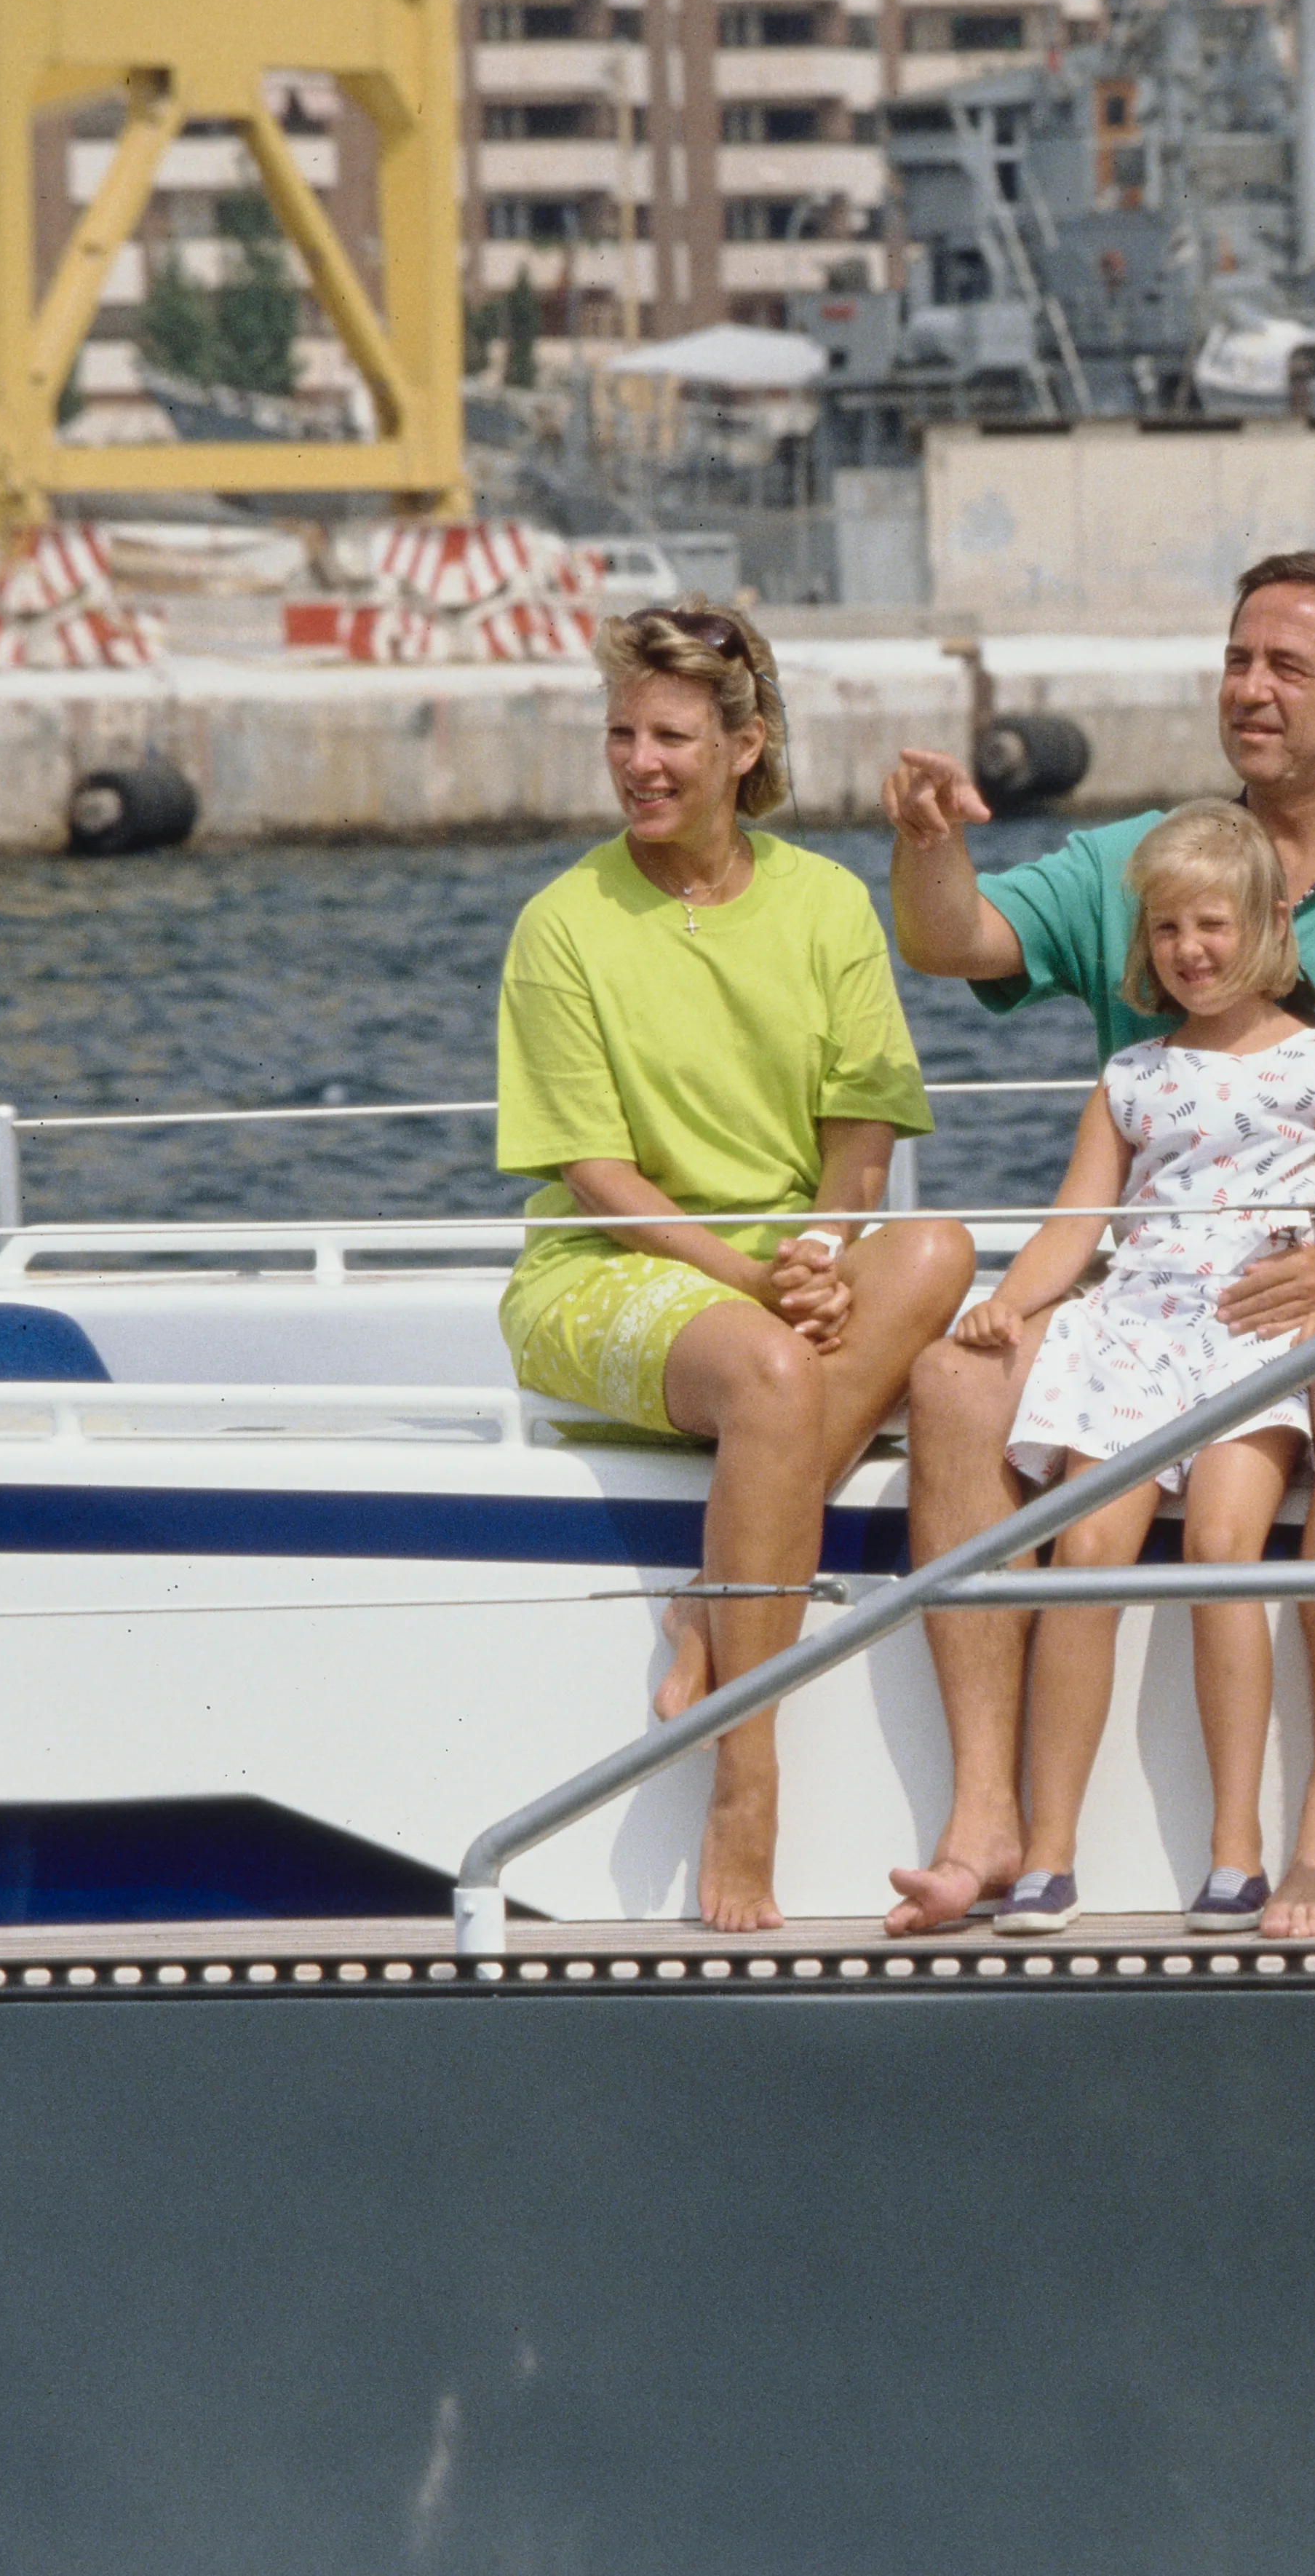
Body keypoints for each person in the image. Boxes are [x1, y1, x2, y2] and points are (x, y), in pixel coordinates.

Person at [880, 547, 1315, 1940]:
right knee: (954, 1382)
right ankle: (987, 1814)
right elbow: (957, 939)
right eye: (1237, 658)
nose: (1251, 688)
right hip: (1144, 1281)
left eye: (1289, 665)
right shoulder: (1137, 860)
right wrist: (929, 841)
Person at [494, 602, 977, 1930]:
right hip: (602, 1268)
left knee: (938, 1246)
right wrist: (762, 1283)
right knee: (770, 1368)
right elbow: (594, 1172)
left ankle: (713, 1617)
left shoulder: (824, 901)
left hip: (779, 1266)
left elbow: (862, 1135)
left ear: (745, 745)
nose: (639, 762)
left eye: (670, 736)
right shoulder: (561, 922)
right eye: (621, 735)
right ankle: (743, 1778)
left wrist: (820, 1249)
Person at [945, 806, 1315, 1936]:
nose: (1192, 948)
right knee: (1087, 1545)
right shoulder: (1131, 1074)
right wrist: (1012, 1299)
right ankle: (1049, 1847)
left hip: (1251, 1331)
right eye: (1170, 928)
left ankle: (1235, 1845)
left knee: (1222, 1543)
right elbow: (1076, 1224)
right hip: (1137, 1325)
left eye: (1213, 924)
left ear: (1266, 927)